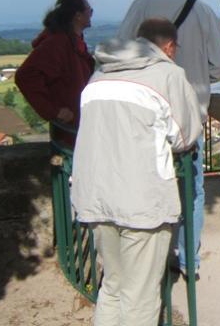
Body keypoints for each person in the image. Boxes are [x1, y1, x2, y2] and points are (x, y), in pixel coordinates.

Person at [71, 18, 203, 326]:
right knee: (140, 294)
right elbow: (185, 136)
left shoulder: (100, 72)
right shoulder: (168, 74)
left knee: (113, 285)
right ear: (169, 47)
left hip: (95, 194)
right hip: (142, 199)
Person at [117, 0, 220, 279]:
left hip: (143, 115)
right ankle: (188, 261)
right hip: (188, 116)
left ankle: (153, 259)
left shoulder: (139, 6)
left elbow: (121, 55)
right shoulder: (203, 10)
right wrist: (196, 81)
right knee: (191, 192)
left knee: (149, 188)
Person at [15, 0, 94, 146]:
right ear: (78, 15)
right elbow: (25, 76)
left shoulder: (71, 41)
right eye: (89, 10)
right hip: (68, 131)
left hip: (75, 127)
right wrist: (52, 111)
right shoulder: (58, 43)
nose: (91, 14)